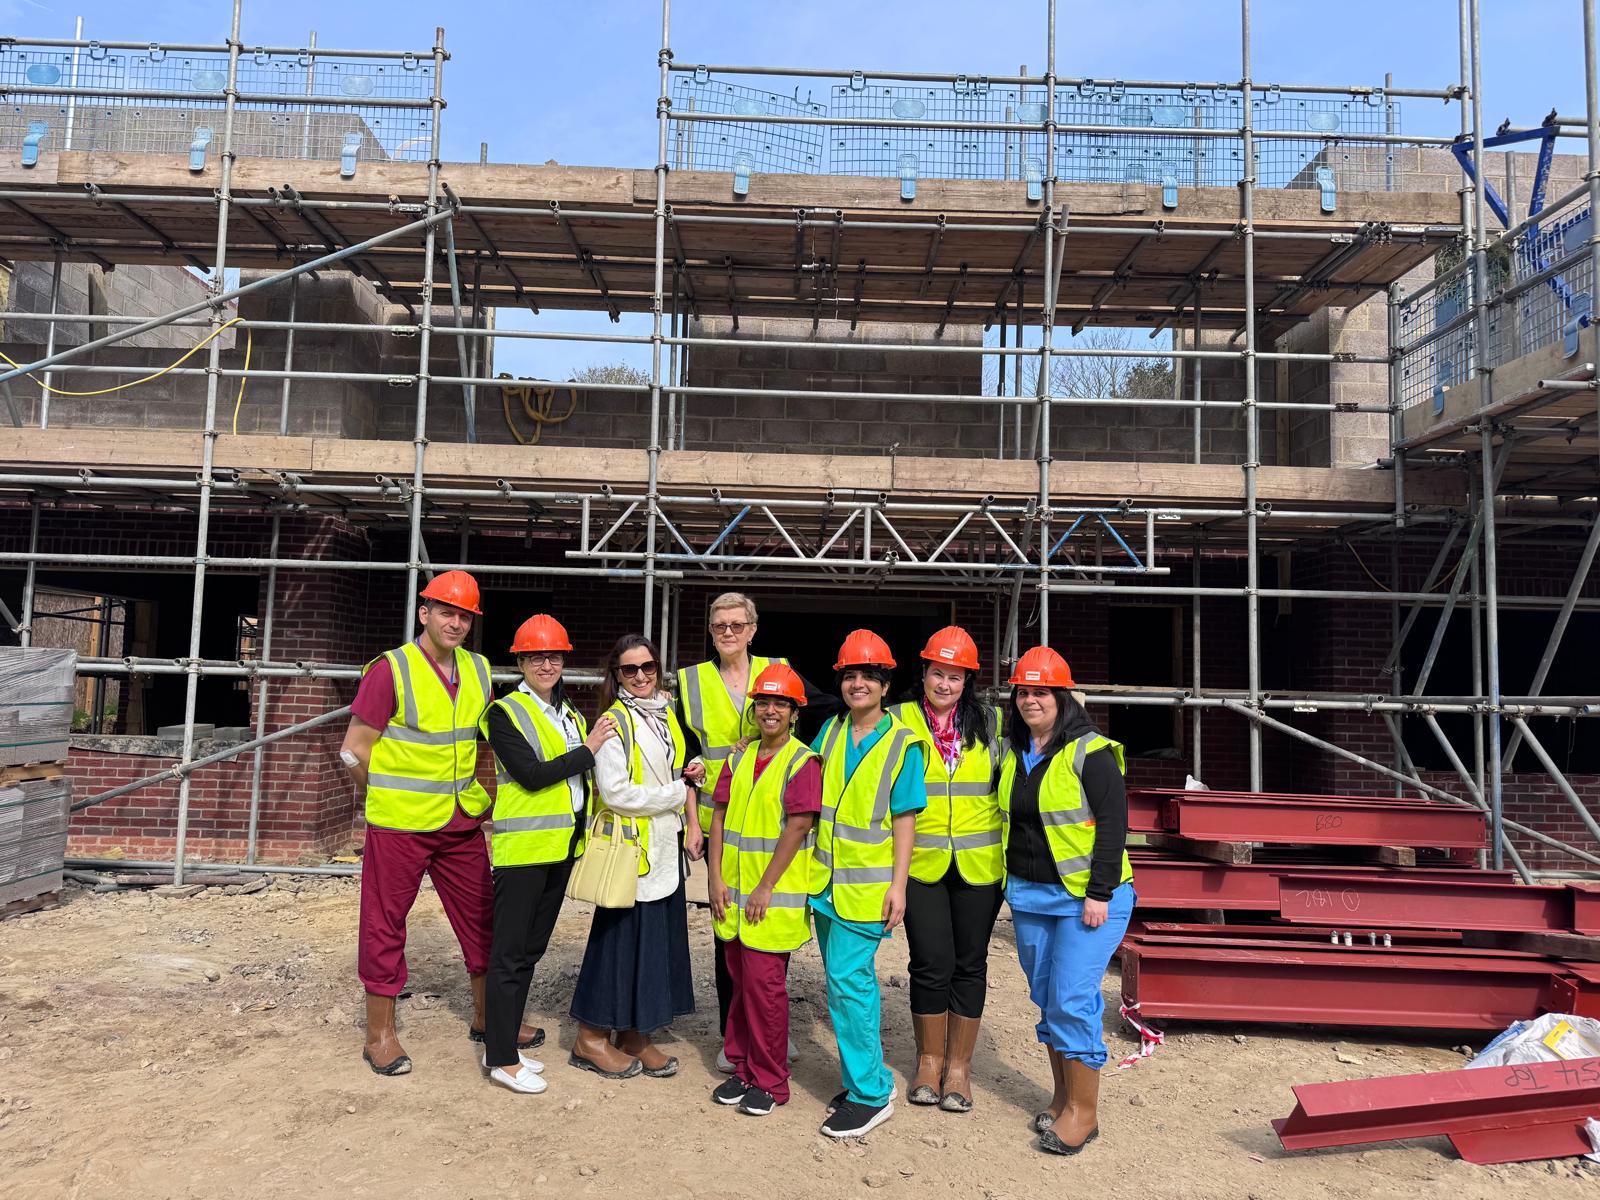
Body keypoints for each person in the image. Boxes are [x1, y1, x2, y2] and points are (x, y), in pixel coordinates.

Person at [339, 570, 538, 1076]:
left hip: (459, 822)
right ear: (424, 613)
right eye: (445, 612)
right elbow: (353, 750)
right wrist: (382, 798)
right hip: (401, 826)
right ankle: (379, 1034)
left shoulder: (477, 669)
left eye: (464, 615)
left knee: (481, 919)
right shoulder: (391, 670)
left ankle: (487, 1016)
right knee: (385, 924)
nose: (455, 622)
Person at [998, 645, 1135, 1156]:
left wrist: (1098, 891)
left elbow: (1114, 824)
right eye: (1024, 692)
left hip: (1087, 900)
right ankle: (1061, 1098)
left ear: (1063, 697)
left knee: (1072, 1000)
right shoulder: (1014, 752)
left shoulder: (1089, 751)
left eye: (1041, 692)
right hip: (1033, 898)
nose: (1031, 700)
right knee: (1046, 998)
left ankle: (1084, 1114)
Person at [478, 614, 618, 1095]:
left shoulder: (569, 714)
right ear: (520, 660)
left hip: (561, 850)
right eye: (536, 656)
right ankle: (499, 1057)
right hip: (524, 853)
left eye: (554, 656)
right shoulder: (503, 714)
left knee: (529, 952)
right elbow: (532, 775)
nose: (546, 663)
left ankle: (505, 1047)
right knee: (510, 955)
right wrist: (591, 748)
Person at [808, 629, 928, 1139]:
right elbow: (805, 782)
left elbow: (906, 820)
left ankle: (871, 1095)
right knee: (840, 985)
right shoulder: (832, 730)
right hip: (826, 883)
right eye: (850, 675)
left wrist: (899, 886)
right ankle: (866, 1075)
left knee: (849, 983)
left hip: (870, 888)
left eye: (868, 676)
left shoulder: (904, 743)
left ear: (885, 685)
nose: (858, 683)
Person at [569, 633, 704, 1080]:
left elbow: (673, 765)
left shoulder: (665, 713)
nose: (641, 676)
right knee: (617, 946)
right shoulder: (614, 722)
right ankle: (590, 1039)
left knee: (652, 947)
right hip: (633, 852)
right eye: (630, 670)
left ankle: (634, 1036)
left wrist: (691, 773)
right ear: (617, 675)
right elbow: (616, 792)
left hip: (663, 848)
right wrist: (675, 792)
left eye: (647, 667)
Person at [889, 626, 1004, 1113]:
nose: (945, 684)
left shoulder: (994, 724)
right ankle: (929, 1060)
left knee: (970, 964)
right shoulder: (897, 720)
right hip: (921, 864)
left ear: (967, 681)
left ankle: (959, 1069)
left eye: (955, 677)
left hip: (980, 865)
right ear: (925, 673)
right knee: (930, 962)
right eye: (938, 673)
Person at [673, 591, 788, 1064]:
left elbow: (806, 725)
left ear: (753, 629)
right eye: (719, 625)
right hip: (716, 821)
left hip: (769, 817)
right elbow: (680, 756)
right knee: (726, 927)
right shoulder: (691, 681)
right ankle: (731, 1033)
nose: (728, 633)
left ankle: (769, 1028)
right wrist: (689, 822)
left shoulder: (778, 670)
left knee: (772, 925)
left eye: (737, 625)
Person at [706, 663, 821, 1117]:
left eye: (780, 704)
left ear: (795, 712)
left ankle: (771, 1081)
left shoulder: (801, 761)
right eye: (763, 702)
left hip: (769, 900)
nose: (770, 710)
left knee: (764, 990)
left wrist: (765, 887)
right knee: (740, 986)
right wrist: (714, 878)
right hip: (731, 897)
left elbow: (798, 826)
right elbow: (717, 817)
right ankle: (742, 1068)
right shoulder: (737, 758)